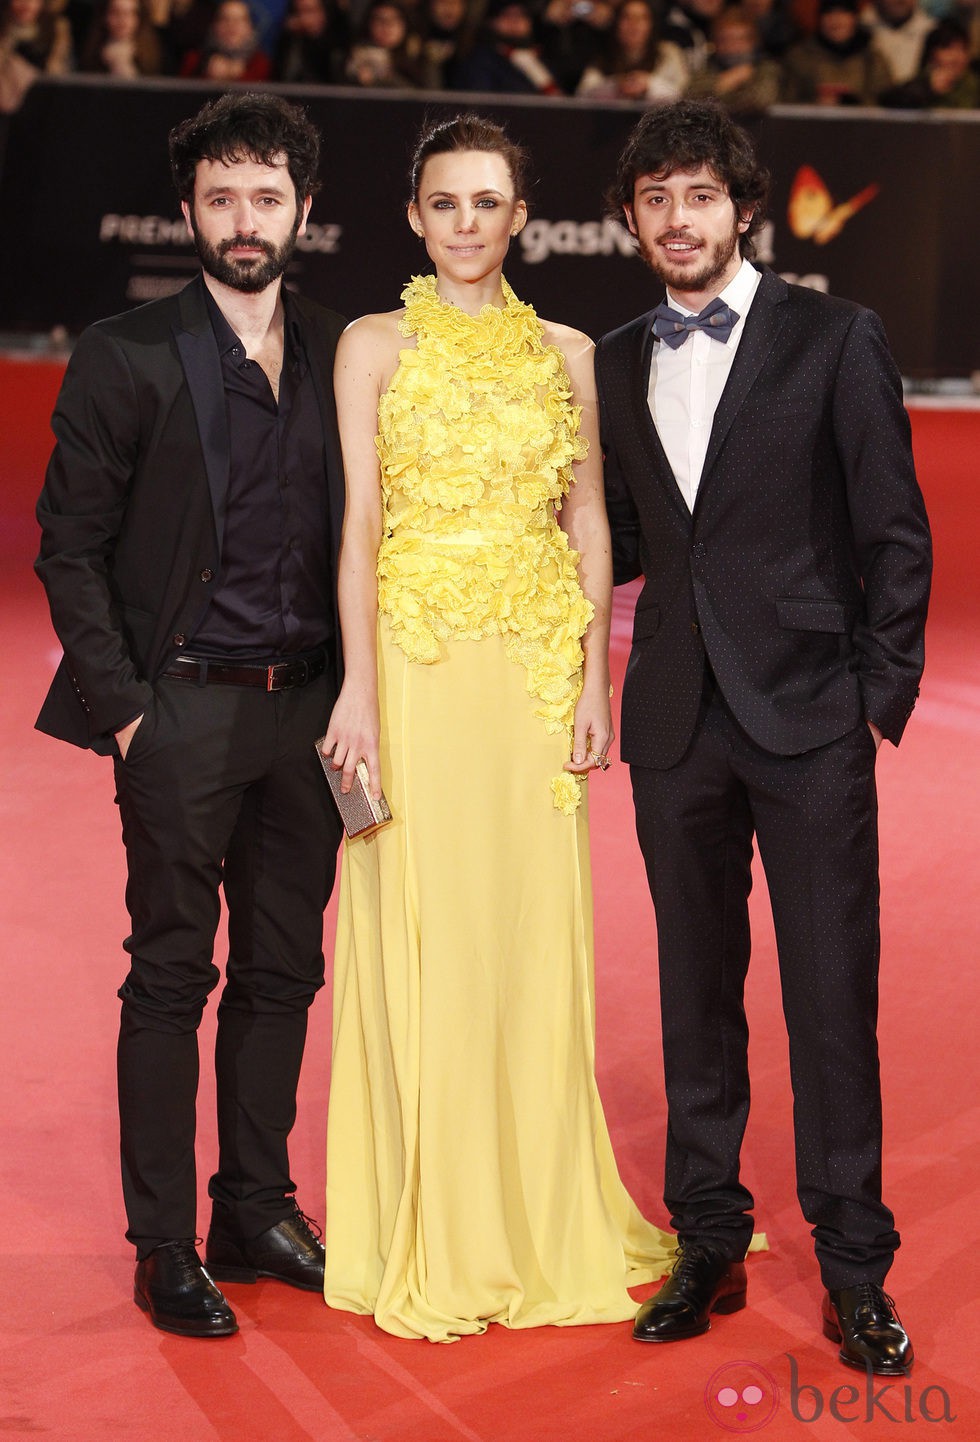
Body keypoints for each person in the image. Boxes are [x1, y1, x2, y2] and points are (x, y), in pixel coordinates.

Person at [320, 112, 675, 1342]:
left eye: (487, 202)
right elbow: (358, 528)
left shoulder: (570, 350)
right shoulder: (368, 345)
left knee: (526, 940)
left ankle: (534, 1212)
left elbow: (588, 520)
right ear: (413, 217)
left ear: (519, 217)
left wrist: (590, 677)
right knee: (428, 932)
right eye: (444, 202)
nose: (466, 222)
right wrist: (356, 687)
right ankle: (432, 1218)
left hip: (529, 676)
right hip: (415, 671)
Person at [595, 99, 931, 1374]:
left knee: (828, 997)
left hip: (807, 720)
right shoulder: (619, 355)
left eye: (695, 195)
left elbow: (893, 531)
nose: (674, 220)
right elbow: (627, 534)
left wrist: (872, 696)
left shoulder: (836, 335)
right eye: (651, 200)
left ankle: (852, 1265)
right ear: (631, 220)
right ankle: (708, 1237)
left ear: (740, 206)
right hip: (674, 715)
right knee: (694, 992)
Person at [35, 91, 347, 1339]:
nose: (242, 219)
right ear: (187, 211)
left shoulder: (346, 348)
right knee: (171, 974)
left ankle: (255, 1207)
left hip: (309, 720)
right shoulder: (127, 351)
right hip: (180, 713)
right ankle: (164, 1241)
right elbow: (70, 545)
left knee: (283, 972)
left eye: (265, 196)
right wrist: (125, 711)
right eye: (219, 197)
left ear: (302, 212)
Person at [781, 0, 892, 106]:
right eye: (829, 13)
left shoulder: (873, 60)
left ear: (854, 18)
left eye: (843, 13)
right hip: (812, 124)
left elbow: (886, 103)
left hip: (863, 125)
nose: (836, 20)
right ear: (820, 19)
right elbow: (786, 103)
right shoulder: (799, 57)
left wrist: (853, 103)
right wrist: (815, 104)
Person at [576, 0, 688, 102]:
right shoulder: (603, 54)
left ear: (652, 25)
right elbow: (583, 97)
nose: (634, 24)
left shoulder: (668, 53)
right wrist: (617, 86)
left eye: (642, 18)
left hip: (659, 123)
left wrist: (648, 85)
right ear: (616, 24)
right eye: (627, 17)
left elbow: (681, 96)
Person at [685, 5, 782, 110]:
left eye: (739, 39)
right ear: (715, 42)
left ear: (753, 42)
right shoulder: (707, 67)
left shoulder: (766, 68)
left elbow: (760, 100)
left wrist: (715, 89)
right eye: (725, 40)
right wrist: (726, 81)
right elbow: (689, 96)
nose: (732, 46)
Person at [879, 16, 980, 102]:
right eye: (947, 48)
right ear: (932, 53)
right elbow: (888, 101)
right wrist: (928, 89)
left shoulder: (975, 85)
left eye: (962, 49)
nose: (956, 57)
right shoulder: (919, 84)